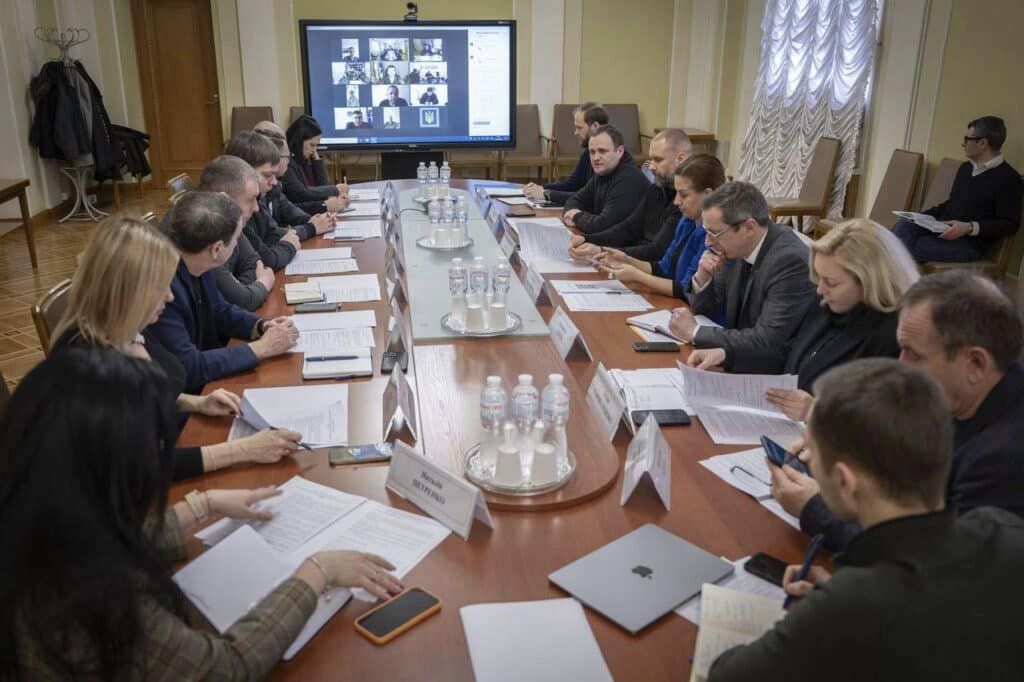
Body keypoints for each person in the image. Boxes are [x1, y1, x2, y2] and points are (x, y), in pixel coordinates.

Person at [0, 348, 403, 679]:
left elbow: (112, 543)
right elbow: (226, 666)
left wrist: (201, 505)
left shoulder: (35, 521)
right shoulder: (96, 603)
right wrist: (316, 572)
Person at [706, 358, 1024, 682]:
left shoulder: (851, 605)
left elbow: (725, 675)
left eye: (814, 458)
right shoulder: (1001, 527)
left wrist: (826, 610)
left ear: (844, 482)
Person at [771, 271, 1024, 551]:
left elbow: (930, 559)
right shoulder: (965, 396)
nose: (901, 365)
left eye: (914, 354)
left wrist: (815, 509)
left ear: (976, 364)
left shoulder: (1002, 459)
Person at [51, 215, 302, 480]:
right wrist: (242, 450)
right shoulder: (90, 362)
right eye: (161, 287)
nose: (170, 296)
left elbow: (145, 397)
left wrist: (196, 402)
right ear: (130, 291)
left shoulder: (123, 329)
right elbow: (143, 465)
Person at [688, 219, 918, 419]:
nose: (820, 289)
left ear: (869, 281)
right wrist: (728, 354)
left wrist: (815, 411)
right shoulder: (827, 304)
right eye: (819, 278)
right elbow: (787, 353)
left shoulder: (894, 336)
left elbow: (880, 420)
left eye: (831, 282)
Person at [149, 191, 298, 393]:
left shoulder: (200, 262)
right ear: (217, 249)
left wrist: (261, 326)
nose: (237, 245)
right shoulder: (162, 290)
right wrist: (262, 348)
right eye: (236, 239)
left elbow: (220, 310)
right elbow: (189, 367)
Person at [668, 181, 815, 354]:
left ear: (749, 228)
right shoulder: (735, 249)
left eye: (714, 234)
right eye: (706, 232)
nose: (708, 242)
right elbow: (706, 311)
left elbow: (767, 341)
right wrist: (702, 279)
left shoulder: (789, 262)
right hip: (738, 356)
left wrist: (695, 332)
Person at [589, 154, 725, 299]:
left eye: (683, 195)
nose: (676, 202)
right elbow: (663, 268)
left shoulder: (714, 236)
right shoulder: (686, 221)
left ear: (708, 195)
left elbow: (687, 289)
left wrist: (637, 276)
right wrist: (626, 259)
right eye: (676, 194)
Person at [892, 116, 1022, 263]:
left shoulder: (1009, 179)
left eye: (967, 139)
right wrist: (920, 217)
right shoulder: (966, 168)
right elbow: (953, 203)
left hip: (968, 243)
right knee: (902, 227)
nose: (963, 144)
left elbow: (1010, 224)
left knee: (911, 245)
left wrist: (969, 227)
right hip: (942, 228)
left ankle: (890, 273)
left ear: (982, 143)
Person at [568, 128, 692, 260]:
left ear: (681, 159)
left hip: (648, 265)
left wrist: (601, 250)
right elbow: (629, 228)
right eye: (651, 159)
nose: (651, 167)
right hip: (636, 261)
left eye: (658, 160)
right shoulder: (657, 188)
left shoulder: (687, 201)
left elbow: (657, 251)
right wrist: (586, 239)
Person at [194, 155, 276, 310]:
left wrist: (239, 288)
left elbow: (254, 262)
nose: (256, 208)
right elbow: (243, 301)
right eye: (251, 199)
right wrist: (262, 284)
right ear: (225, 199)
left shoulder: (228, 220)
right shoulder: (201, 232)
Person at [222, 135, 300, 269]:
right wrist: (288, 246)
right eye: (268, 175)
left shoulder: (258, 199)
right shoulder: (237, 209)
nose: (275, 182)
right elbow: (262, 261)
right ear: (244, 171)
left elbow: (270, 235)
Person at [254, 122, 334, 241]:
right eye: (287, 156)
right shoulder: (257, 192)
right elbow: (271, 235)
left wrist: (312, 221)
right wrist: (312, 226)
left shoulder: (275, 185)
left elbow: (288, 208)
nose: (289, 159)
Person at [562, 125, 649, 234]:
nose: (595, 158)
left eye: (602, 151)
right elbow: (574, 200)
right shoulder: (604, 171)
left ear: (620, 151)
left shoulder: (629, 179)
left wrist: (576, 216)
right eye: (592, 152)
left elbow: (603, 226)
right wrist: (571, 213)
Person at [524, 102, 608, 206]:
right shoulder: (588, 153)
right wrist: (540, 188)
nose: (575, 132)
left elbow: (589, 198)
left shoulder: (607, 158)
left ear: (595, 126)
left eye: (579, 128)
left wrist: (547, 194)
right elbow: (571, 184)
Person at [282, 115, 350, 214]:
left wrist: (317, 162)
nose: (314, 150)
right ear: (299, 142)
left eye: (316, 146)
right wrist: (335, 190)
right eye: (312, 145)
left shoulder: (304, 159)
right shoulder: (286, 164)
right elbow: (302, 194)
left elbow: (322, 186)